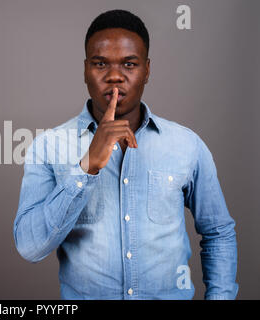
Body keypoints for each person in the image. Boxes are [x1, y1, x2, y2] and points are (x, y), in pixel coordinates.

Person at [13, 9, 238, 300]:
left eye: (129, 64)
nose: (115, 76)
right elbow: (30, 247)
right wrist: (86, 168)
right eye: (100, 63)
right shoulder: (48, 146)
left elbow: (218, 232)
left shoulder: (187, 145)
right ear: (85, 70)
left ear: (147, 70)